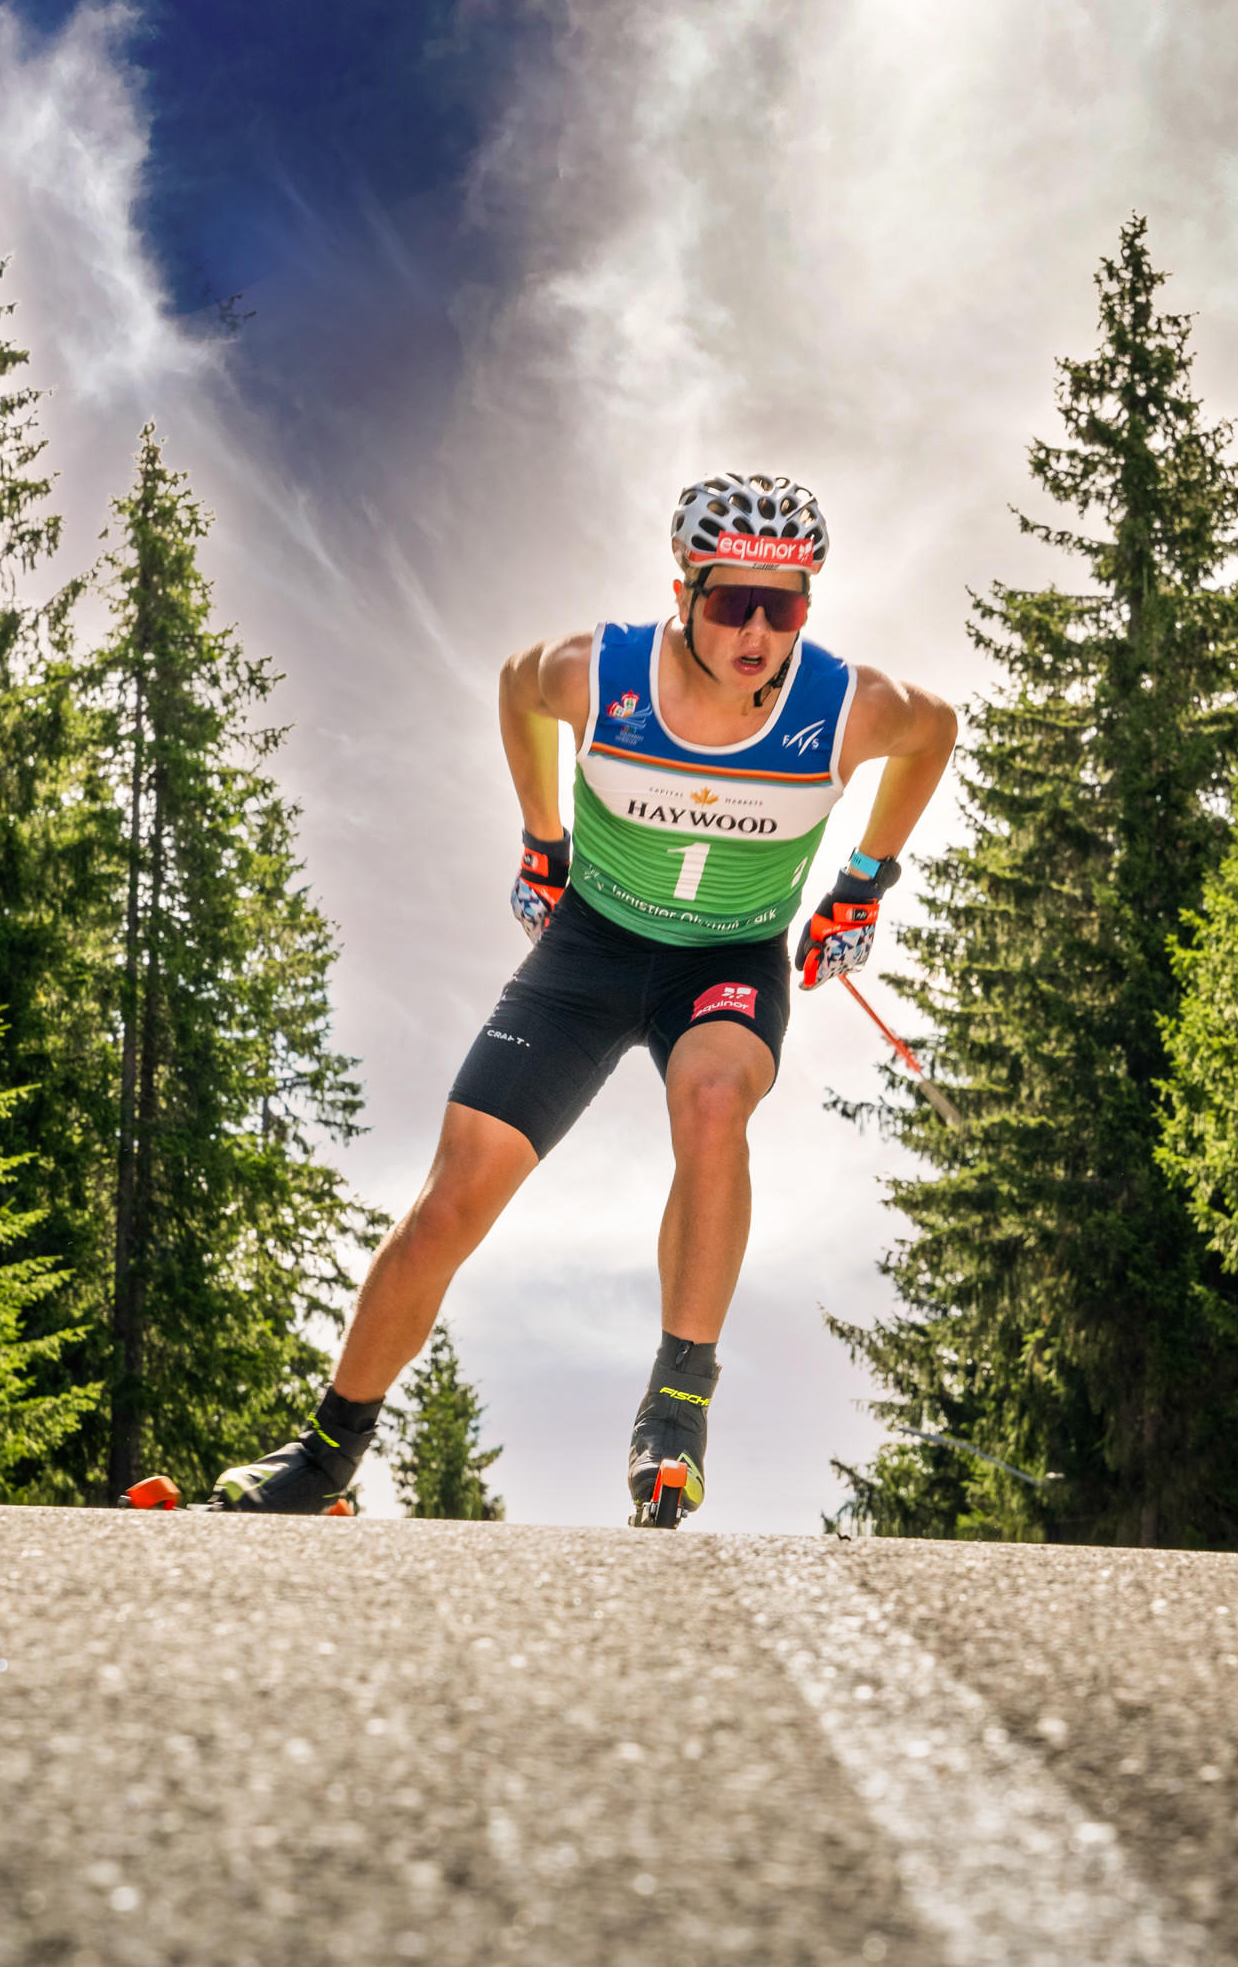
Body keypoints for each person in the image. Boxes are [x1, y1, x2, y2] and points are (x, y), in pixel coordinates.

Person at [204, 472, 957, 1518]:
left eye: (780, 607)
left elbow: (935, 731)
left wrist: (864, 881)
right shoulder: (596, 674)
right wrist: (540, 837)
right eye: (730, 600)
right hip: (589, 949)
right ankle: (326, 1453)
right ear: (683, 589)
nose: (754, 631)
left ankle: (677, 1406)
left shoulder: (843, 704)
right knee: (449, 1202)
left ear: (805, 608)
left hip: (727, 960)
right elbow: (515, 686)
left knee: (711, 1101)